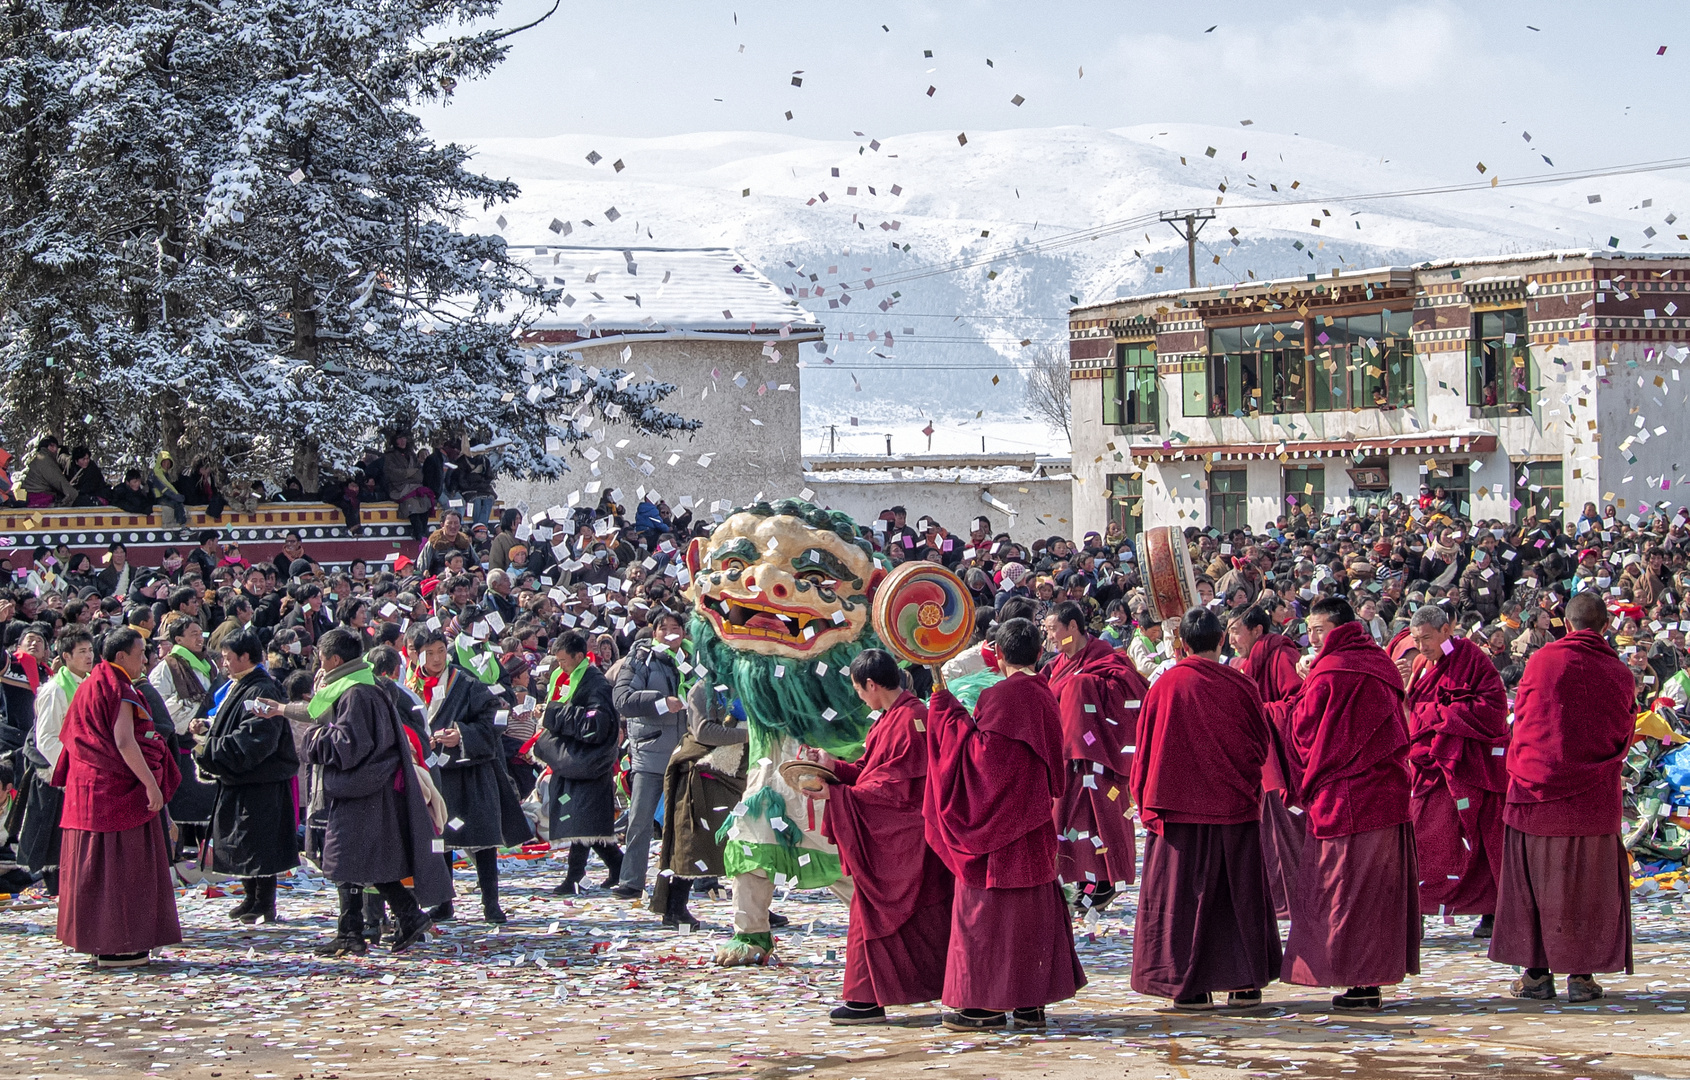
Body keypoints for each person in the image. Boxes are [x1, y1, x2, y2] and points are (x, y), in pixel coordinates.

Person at [924, 617, 1085, 1032]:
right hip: (1032, 822)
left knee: (990, 917)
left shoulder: (1000, 696)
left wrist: (946, 713)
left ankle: (986, 1007)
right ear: (1038, 653)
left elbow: (982, 762)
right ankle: (1030, 1005)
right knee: (1032, 916)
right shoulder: (1045, 695)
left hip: (998, 827)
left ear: (996, 654)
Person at [1271, 597, 1419, 1012]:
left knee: (1347, 893)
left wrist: (1290, 701)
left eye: (1320, 630)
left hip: (1346, 799)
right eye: (1311, 631)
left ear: (1339, 628)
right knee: (1376, 893)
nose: (1313, 638)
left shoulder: (1331, 672)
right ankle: (1370, 980)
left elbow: (1304, 730)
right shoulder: (1379, 662)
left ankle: (1359, 982)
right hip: (1387, 795)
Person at [1130, 607, 1280, 1010]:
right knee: (1237, 898)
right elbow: (1258, 745)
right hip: (1233, 805)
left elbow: (1145, 749)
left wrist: (1143, 796)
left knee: (1182, 901)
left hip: (1177, 808)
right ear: (1220, 642)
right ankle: (1245, 984)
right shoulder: (1242, 685)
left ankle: (1189, 987)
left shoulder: (1164, 686)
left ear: (1182, 645)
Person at [1490, 592, 1636, 1002]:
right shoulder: (1620, 673)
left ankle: (1536, 977)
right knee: (1588, 888)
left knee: (1534, 885)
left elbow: (1527, 722)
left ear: (1567, 625)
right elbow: (1624, 732)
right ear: (1605, 627)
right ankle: (1582, 978)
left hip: (1537, 792)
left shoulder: (1542, 661)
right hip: (1593, 799)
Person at [809, 649, 953, 1025]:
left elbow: (895, 789)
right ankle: (868, 996)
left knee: (876, 912)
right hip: (893, 831)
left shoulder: (913, 719)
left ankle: (866, 999)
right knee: (874, 912)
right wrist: (831, 767)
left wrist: (837, 795)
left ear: (871, 685)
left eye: (858, 688)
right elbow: (871, 771)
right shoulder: (891, 717)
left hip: (905, 836)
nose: (858, 696)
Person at [285, 628, 449, 955]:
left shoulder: (355, 694)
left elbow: (349, 746)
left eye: (321, 659)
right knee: (362, 862)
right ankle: (400, 918)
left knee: (346, 860)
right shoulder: (364, 687)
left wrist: (313, 739)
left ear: (334, 659)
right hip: (369, 789)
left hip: (361, 791)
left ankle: (356, 931)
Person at [52, 628, 182, 967]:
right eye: (140, 654)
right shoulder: (119, 688)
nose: (146, 661)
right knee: (123, 871)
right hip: (118, 792)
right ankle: (124, 944)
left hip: (86, 792)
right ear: (120, 657)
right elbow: (125, 742)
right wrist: (151, 785)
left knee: (93, 872)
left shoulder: (87, 687)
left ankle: (98, 942)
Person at [404, 626, 531, 924]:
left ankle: (491, 903)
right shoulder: (410, 685)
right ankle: (444, 902)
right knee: (441, 839)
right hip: (434, 770)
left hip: (470, 771)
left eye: (440, 652)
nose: (436, 659)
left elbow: (496, 718)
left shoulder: (465, 683)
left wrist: (461, 734)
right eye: (429, 653)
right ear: (417, 654)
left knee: (482, 839)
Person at [1402, 605, 1509, 937]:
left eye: (1427, 638)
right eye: (1417, 639)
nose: (1421, 646)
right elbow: (1410, 707)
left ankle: (1492, 909)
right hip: (1429, 766)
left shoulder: (1473, 659)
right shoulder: (1420, 664)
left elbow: (1493, 708)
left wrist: (1437, 713)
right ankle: (1417, 907)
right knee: (1424, 836)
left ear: (1446, 630)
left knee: (1481, 838)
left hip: (1466, 764)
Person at [1041, 600, 1144, 913]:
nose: (1050, 638)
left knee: (1102, 819)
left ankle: (1106, 883)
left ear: (1073, 627)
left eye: (1053, 630)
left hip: (1099, 758)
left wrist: (1084, 687)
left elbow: (1132, 693)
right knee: (1069, 823)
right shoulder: (1056, 665)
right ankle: (1079, 884)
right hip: (1066, 758)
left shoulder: (1106, 659)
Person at [189, 629, 298, 924]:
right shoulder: (240, 686)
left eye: (227, 658)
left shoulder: (262, 689)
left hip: (261, 781)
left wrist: (210, 749)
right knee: (245, 844)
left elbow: (256, 737)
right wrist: (208, 729)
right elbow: (232, 724)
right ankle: (250, 897)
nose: (223, 663)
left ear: (244, 657)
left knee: (260, 845)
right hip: (241, 780)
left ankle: (264, 901)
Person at [650, 672, 748, 929]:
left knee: (750, 840)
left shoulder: (744, 684)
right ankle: (675, 908)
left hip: (737, 772)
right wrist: (750, 734)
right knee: (692, 842)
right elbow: (704, 731)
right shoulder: (702, 690)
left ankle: (755, 906)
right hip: (703, 774)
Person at [1228, 603, 1306, 920]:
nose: (1231, 638)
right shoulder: (1241, 662)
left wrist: (1259, 711)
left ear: (1257, 631)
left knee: (1284, 828)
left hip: (1278, 756)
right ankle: (1273, 897)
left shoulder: (1280, 655)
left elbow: (1297, 702)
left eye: (1236, 631)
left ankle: (1298, 895)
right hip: (1255, 754)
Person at [532, 630, 624, 894]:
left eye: (563, 661)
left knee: (584, 819)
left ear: (579, 656)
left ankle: (576, 876)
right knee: (585, 821)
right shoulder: (567, 678)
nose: (560, 666)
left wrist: (555, 713)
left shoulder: (595, 683)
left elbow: (596, 723)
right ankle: (615, 867)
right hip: (574, 760)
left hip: (589, 761)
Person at [609, 612, 690, 901]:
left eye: (675, 628)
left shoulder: (693, 660)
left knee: (690, 822)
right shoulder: (641, 659)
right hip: (650, 751)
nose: (670, 633)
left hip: (688, 751)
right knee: (641, 819)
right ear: (654, 632)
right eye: (663, 628)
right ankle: (631, 880)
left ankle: (696, 879)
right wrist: (659, 702)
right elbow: (623, 700)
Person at [16, 628, 96, 896]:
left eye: (90, 650)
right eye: (82, 652)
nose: (88, 656)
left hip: (84, 772)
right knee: (55, 844)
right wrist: (70, 768)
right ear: (66, 656)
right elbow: (46, 738)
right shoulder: (55, 689)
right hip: (58, 774)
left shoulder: (89, 684)